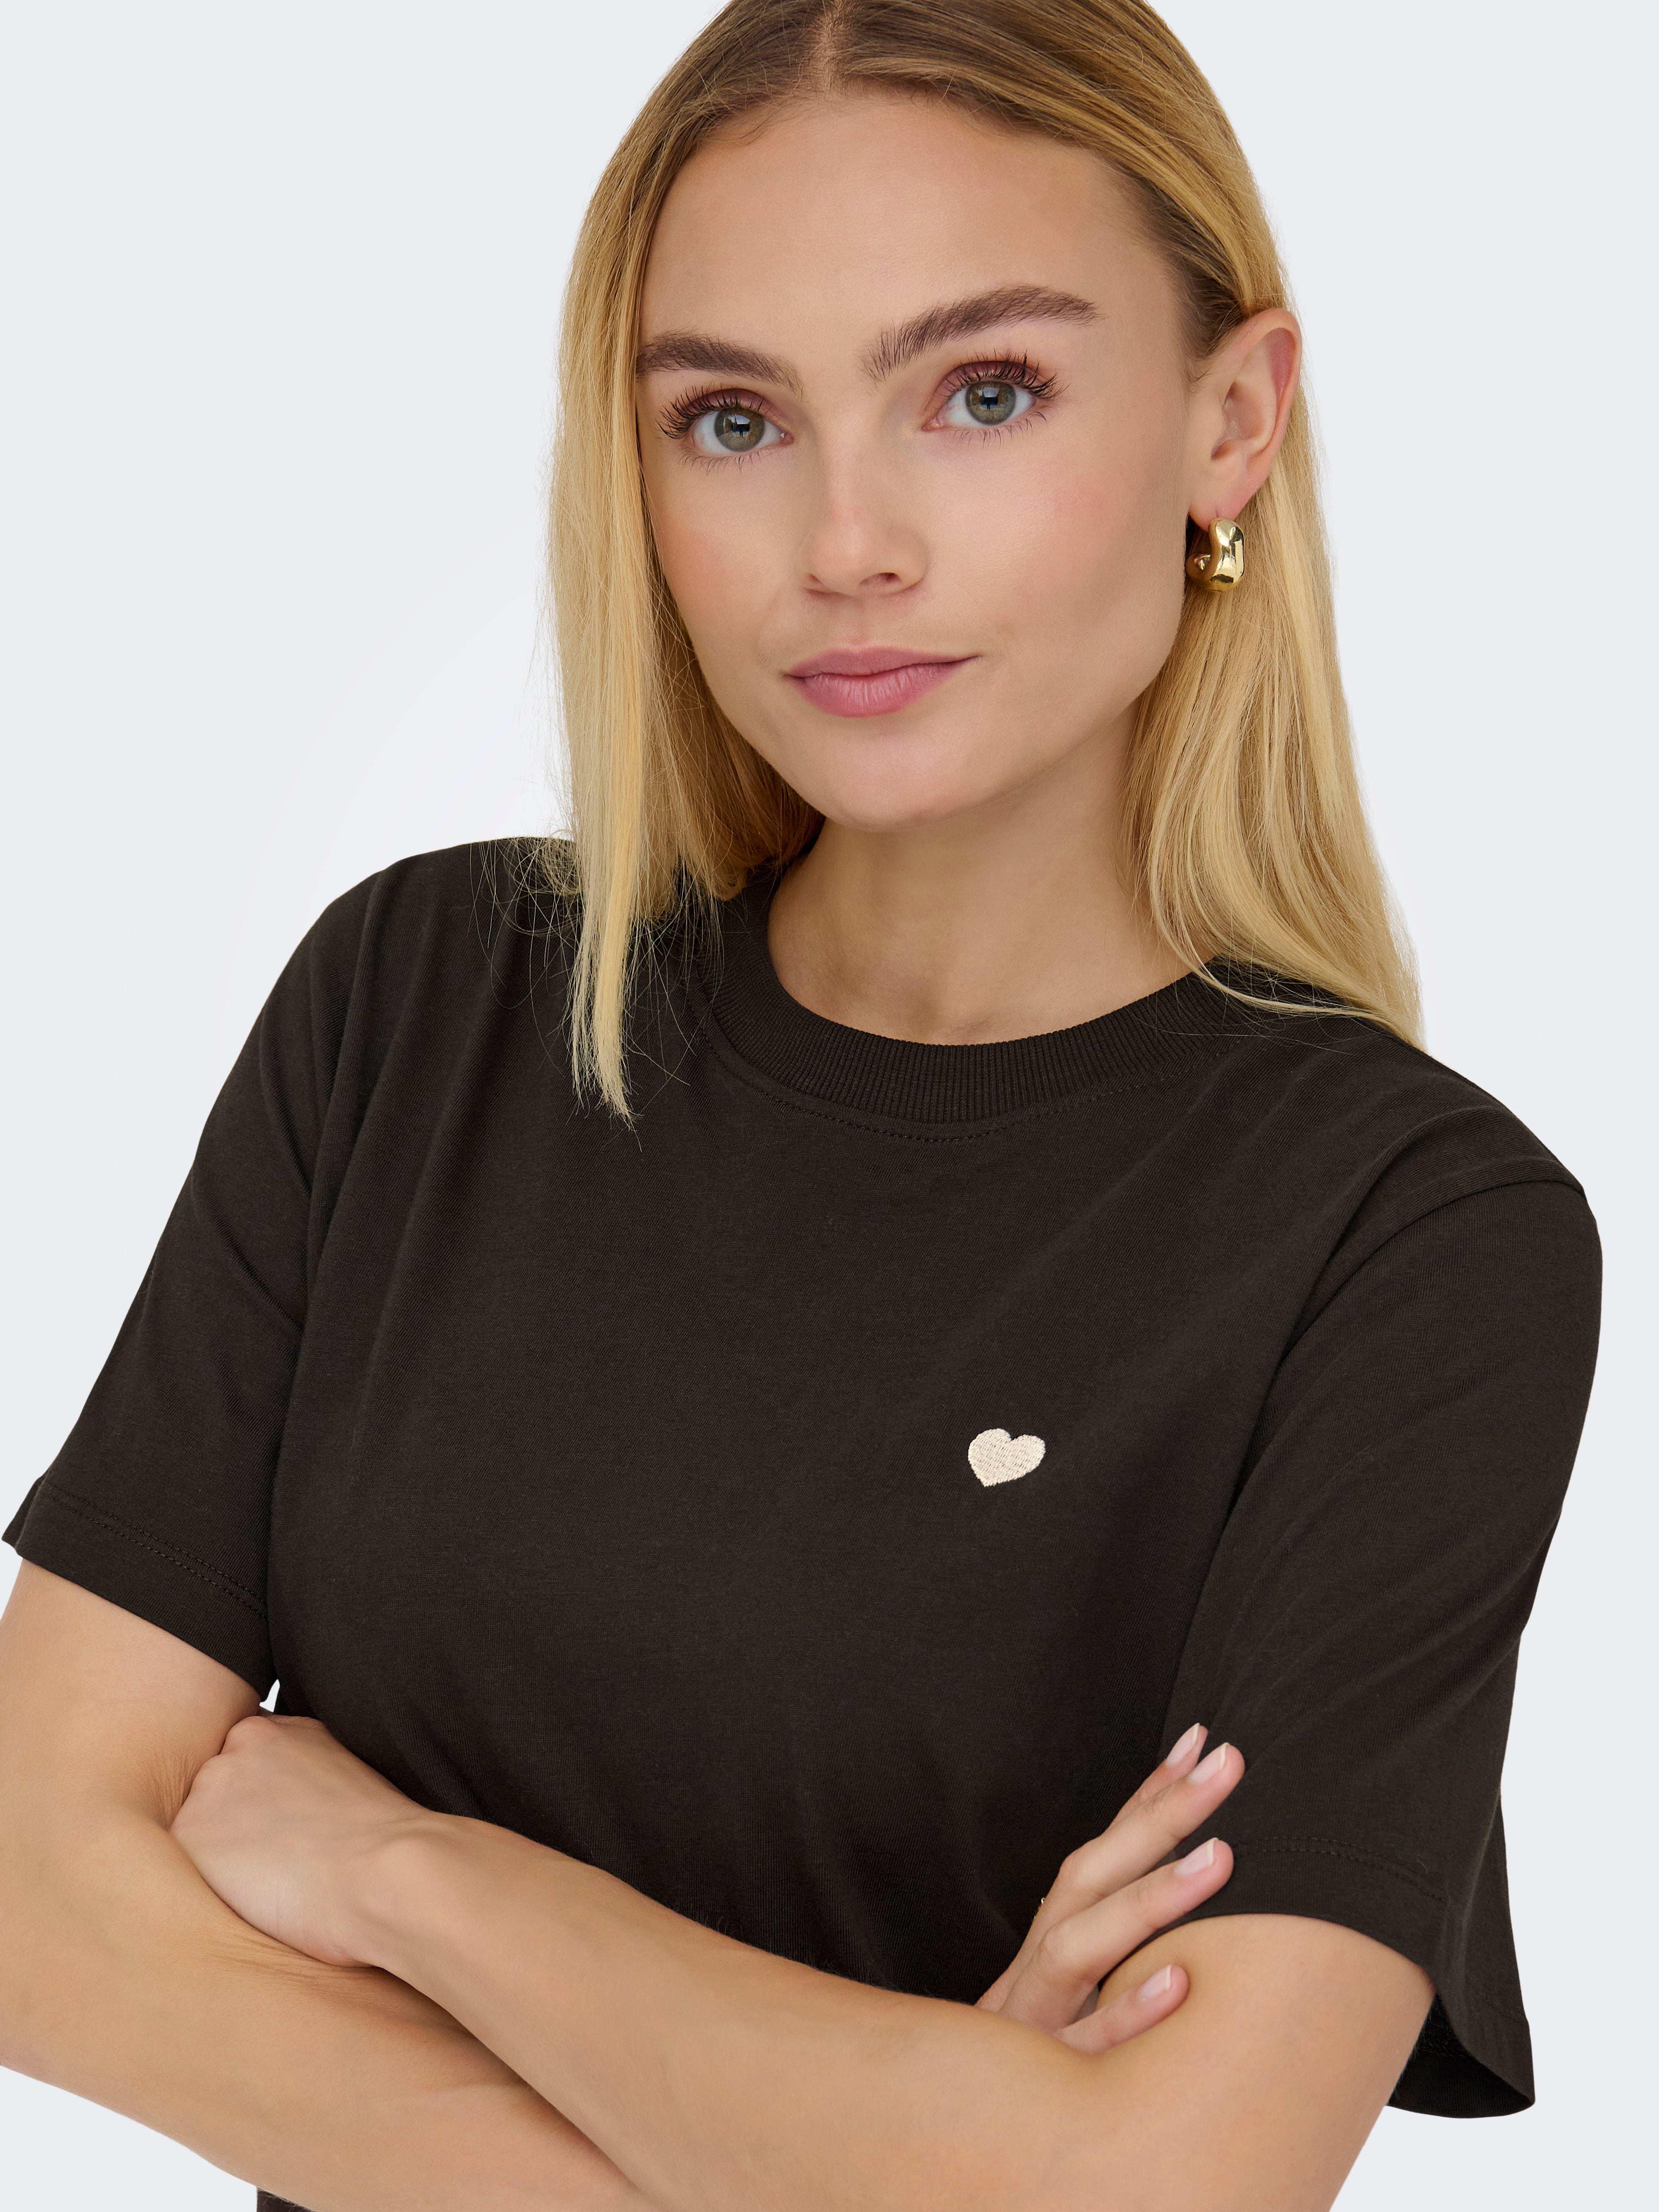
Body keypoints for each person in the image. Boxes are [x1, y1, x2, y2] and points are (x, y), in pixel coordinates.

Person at [0, 4, 1601, 2209]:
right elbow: (34, 1900)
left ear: (1231, 422)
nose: (847, 542)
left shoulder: (1407, 1237)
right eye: (733, 419)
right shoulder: (425, 1007)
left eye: (985, 392)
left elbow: (1177, 2188)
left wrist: (412, 1875)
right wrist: (909, 2147)